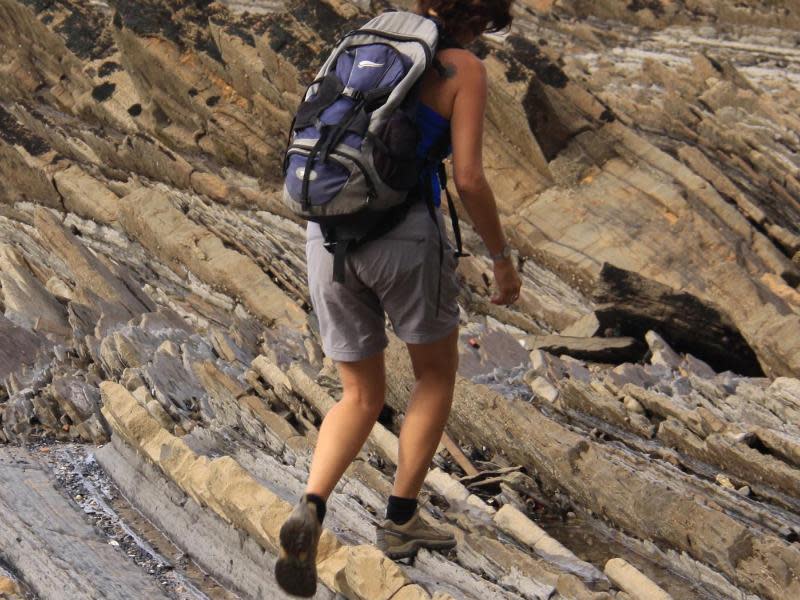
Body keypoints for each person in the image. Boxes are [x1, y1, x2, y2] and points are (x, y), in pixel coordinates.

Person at [275, 1, 521, 596]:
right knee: (434, 375)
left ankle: (311, 503)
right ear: (478, 19)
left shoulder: (363, 43)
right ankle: (402, 519)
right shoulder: (460, 67)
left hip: (326, 236)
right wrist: (501, 257)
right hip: (405, 238)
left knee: (358, 392)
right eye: (487, 27)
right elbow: (468, 179)